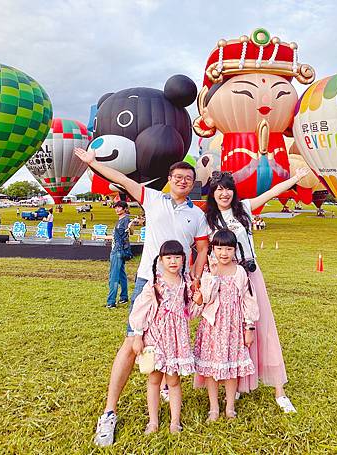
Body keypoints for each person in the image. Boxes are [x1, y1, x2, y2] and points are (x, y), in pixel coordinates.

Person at [74, 147, 209, 447]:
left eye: (188, 178)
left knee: (173, 340)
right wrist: (94, 164)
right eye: (177, 177)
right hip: (149, 282)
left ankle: (166, 396)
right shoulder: (153, 198)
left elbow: (202, 250)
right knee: (132, 344)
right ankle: (109, 412)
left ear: (193, 182)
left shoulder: (197, 214)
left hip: (179, 285)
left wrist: (196, 277)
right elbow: (122, 178)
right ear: (170, 180)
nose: (183, 182)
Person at [205, 167, 308, 413]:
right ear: (212, 193)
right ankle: (239, 383)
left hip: (249, 275)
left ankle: (279, 390)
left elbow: (272, 193)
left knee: (263, 327)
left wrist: (295, 179)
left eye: (228, 188)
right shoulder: (207, 219)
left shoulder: (246, 209)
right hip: (224, 280)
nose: (224, 193)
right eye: (219, 189)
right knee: (233, 331)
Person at [129, 240, 201, 434]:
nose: (173, 261)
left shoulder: (186, 284)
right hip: (156, 339)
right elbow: (140, 311)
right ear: (161, 260)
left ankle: (174, 421)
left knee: (174, 381)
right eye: (168, 257)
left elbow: (191, 313)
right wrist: (137, 336)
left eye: (177, 257)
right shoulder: (154, 284)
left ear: (183, 259)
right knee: (153, 380)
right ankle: (153, 421)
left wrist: (199, 301)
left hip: (177, 342)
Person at [193, 229, 259, 421]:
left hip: (233, 327)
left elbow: (248, 300)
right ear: (213, 249)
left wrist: (249, 327)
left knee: (232, 369)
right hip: (212, 327)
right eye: (219, 248)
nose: (224, 253)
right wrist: (211, 277)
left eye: (228, 249)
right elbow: (205, 298)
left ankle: (230, 406)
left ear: (234, 250)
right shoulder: (209, 271)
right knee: (211, 369)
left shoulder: (240, 272)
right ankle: (214, 407)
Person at [98, 201, 131, 309]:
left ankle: (111, 302)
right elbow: (115, 237)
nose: (117, 209)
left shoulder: (125, 219)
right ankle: (124, 297)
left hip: (117, 251)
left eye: (119, 207)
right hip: (119, 250)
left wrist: (132, 225)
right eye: (115, 207)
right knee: (121, 275)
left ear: (125, 208)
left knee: (114, 277)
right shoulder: (121, 220)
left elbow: (130, 231)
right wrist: (100, 237)